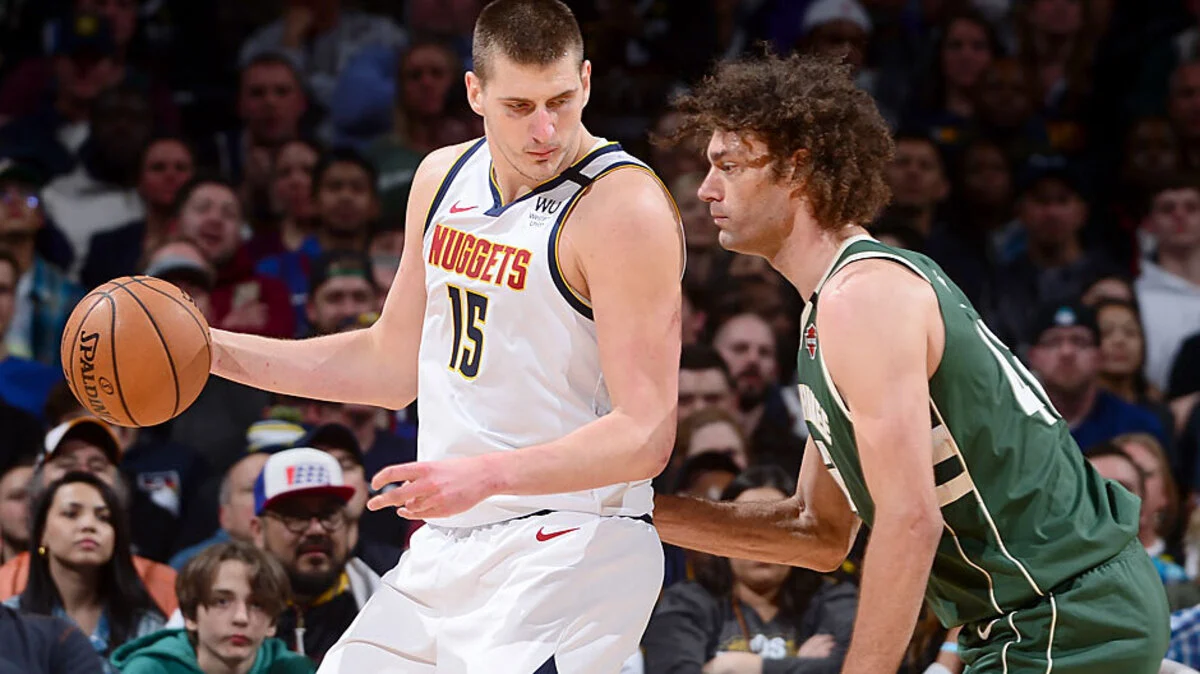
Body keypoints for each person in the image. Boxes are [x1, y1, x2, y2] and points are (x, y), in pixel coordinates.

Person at [653, 53, 1168, 673]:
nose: (706, 188)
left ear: (797, 170)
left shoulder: (862, 298)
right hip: (1035, 614)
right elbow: (818, 533)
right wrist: (641, 514)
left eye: (729, 166)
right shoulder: (834, 306)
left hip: (1064, 612)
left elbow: (910, 522)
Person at [205, 0, 682, 670]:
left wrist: (486, 475)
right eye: (518, 106)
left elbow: (646, 433)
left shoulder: (623, 207)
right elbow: (387, 366)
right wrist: (210, 350)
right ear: (475, 92)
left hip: (574, 544)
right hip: (447, 545)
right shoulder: (440, 177)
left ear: (587, 81)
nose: (545, 128)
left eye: (561, 100)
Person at [6, 472, 165, 666]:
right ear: (42, 534)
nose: (89, 525)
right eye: (71, 514)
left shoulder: (148, 628)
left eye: (103, 517)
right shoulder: (9, 623)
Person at [110, 540, 315, 674]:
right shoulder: (150, 670)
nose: (241, 618)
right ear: (191, 616)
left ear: (272, 623)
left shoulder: (295, 670)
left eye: (257, 605)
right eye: (222, 602)